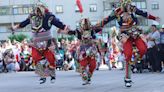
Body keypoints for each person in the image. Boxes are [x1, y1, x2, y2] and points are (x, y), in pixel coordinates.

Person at [95, 0, 159, 87]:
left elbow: (144, 13)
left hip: (135, 32)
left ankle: (135, 61)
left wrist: (154, 18)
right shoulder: (117, 11)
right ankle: (127, 78)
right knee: (128, 54)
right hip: (125, 34)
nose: (127, 5)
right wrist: (95, 28)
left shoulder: (133, 9)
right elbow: (106, 20)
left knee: (143, 49)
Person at [11, 3, 70, 84]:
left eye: (39, 9)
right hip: (36, 42)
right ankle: (43, 75)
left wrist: (65, 27)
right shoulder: (32, 17)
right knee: (35, 57)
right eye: (36, 10)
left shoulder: (49, 17)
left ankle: (52, 75)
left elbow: (58, 24)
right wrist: (15, 27)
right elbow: (23, 23)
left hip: (47, 41)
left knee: (51, 59)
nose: (37, 11)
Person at [58, 18, 101, 85]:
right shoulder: (78, 31)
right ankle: (85, 77)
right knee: (83, 65)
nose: (85, 26)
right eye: (84, 24)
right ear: (81, 25)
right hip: (82, 50)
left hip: (91, 49)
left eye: (86, 24)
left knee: (93, 65)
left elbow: (100, 27)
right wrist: (62, 30)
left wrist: (100, 24)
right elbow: (70, 32)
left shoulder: (92, 30)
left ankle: (89, 76)